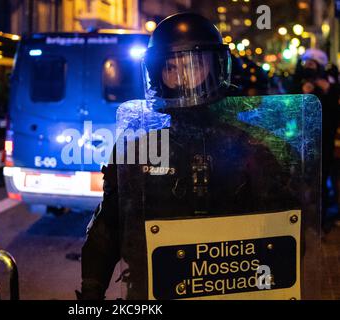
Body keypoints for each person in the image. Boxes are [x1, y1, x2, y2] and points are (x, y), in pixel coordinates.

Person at [79, 13, 317, 300]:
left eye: (194, 65)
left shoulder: (251, 148)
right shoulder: (140, 149)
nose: (182, 77)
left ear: (215, 67)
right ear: (157, 74)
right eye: (170, 66)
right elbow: (108, 226)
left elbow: (284, 232)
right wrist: (92, 292)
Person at [291, 50, 340, 231]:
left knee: (322, 178)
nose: (309, 67)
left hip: (324, 139)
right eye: (307, 64)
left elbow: (334, 111)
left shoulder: (329, 83)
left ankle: (321, 220)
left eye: (313, 64)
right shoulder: (299, 81)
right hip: (303, 138)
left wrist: (326, 89)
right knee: (302, 178)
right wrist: (302, 92)